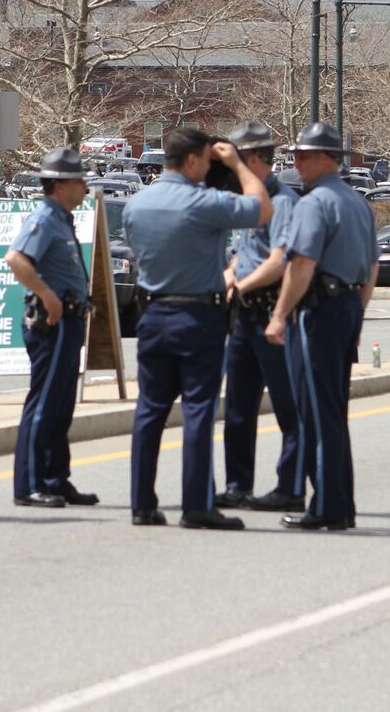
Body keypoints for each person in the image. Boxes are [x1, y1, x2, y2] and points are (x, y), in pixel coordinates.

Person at [123, 127, 272, 528]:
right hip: (198, 317)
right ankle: (196, 506)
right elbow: (262, 209)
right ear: (192, 160)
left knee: (149, 412)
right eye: (207, 160)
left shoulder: (137, 204)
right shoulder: (205, 202)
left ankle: (142, 504)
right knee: (198, 411)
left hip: (153, 314)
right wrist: (238, 164)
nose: (210, 168)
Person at [265, 123, 378, 531]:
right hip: (344, 306)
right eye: (296, 155)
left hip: (318, 312)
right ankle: (338, 504)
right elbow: (370, 268)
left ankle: (328, 507)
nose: (297, 162)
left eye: (305, 155)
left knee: (316, 412)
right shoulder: (358, 202)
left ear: (328, 159)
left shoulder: (314, 204)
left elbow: (301, 264)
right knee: (331, 410)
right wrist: (358, 317)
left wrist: (279, 314)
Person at [4, 147, 102, 508]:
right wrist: (48, 295)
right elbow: (16, 259)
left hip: (70, 321)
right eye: (79, 181)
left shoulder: (61, 218)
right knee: (44, 403)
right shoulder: (44, 218)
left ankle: (56, 478)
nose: (84, 188)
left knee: (61, 405)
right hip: (53, 323)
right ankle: (30, 483)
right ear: (60, 184)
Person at [215, 121, 305, 513]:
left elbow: (280, 260)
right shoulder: (253, 201)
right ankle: (238, 485)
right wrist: (230, 273)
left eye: (234, 159)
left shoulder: (283, 202)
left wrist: (244, 284)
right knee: (238, 405)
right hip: (243, 315)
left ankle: (290, 487)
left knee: (288, 406)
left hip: (271, 310)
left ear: (251, 158)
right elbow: (247, 252)